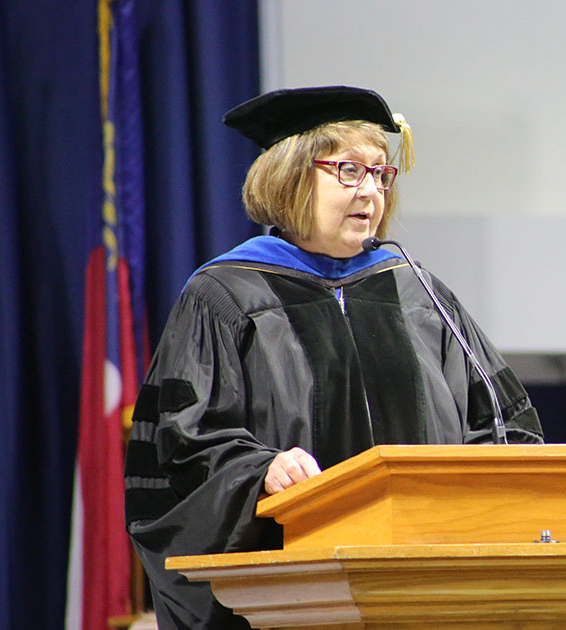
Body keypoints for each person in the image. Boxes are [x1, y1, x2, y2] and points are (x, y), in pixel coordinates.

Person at [123, 86, 544, 629]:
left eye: (380, 174)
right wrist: (260, 470)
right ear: (291, 177)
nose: (371, 190)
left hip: (429, 589)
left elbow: (506, 426)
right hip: (294, 591)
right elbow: (182, 442)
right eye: (349, 171)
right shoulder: (226, 295)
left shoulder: (418, 292)